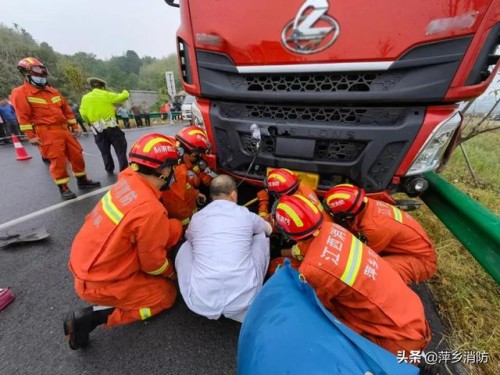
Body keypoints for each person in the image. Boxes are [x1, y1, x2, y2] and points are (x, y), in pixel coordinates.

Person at [64, 133, 183, 350]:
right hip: (101, 281)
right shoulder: (150, 211)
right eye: (172, 167)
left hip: (85, 261)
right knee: (165, 295)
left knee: (172, 227)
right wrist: (173, 274)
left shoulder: (128, 177)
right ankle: (94, 318)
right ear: (164, 170)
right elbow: (152, 264)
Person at [273, 194, 431, 355]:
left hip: (397, 338)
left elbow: (321, 309)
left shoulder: (313, 270)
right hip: (410, 311)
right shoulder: (332, 229)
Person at [175, 175, 273, 322]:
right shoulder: (245, 214)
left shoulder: (197, 218)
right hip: (245, 298)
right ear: (233, 194)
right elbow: (267, 229)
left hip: (202, 300)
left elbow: (191, 239)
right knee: (261, 235)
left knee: (187, 245)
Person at [10, 57, 100, 200]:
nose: (41, 78)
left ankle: (82, 181)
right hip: (46, 131)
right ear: (26, 75)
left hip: (64, 130)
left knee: (77, 155)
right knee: (58, 160)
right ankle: (63, 188)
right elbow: (23, 116)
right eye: (37, 75)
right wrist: (31, 135)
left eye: (43, 75)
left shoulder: (53, 91)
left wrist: (74, 125)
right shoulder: (20, 93)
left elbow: (66, 111)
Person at [323, 184, 437, 283]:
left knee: (370, 271)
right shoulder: (369, 203)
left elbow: (361, 257)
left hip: (421, 262)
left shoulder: (374, 228)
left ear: (347, 215)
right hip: (404, 249)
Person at [259, 168, 332, 274]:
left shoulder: (295, 214)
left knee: (273, 266)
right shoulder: (302, 190)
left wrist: (263, 203)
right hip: (327, 234)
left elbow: (262, 225)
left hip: (316, 252)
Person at [160, 126, 213, 228]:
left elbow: (185, 184)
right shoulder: (176, 171)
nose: (198, 158)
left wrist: (195, 194)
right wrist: (190, 224)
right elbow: (176, 207)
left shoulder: (174, 146)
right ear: (192, 153)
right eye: (198, 155)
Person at [79, 77, 129, 174]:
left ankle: (109, 168)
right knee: (120, 149)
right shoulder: (105, 94)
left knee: (105, 151)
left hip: (97, 129)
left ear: (91, 87)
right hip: (111, 128)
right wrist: (125, 90)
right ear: (103, 86)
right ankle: (124, 170)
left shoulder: (85, 98)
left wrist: (90, 120)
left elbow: (83, 115)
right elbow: (123, 97)